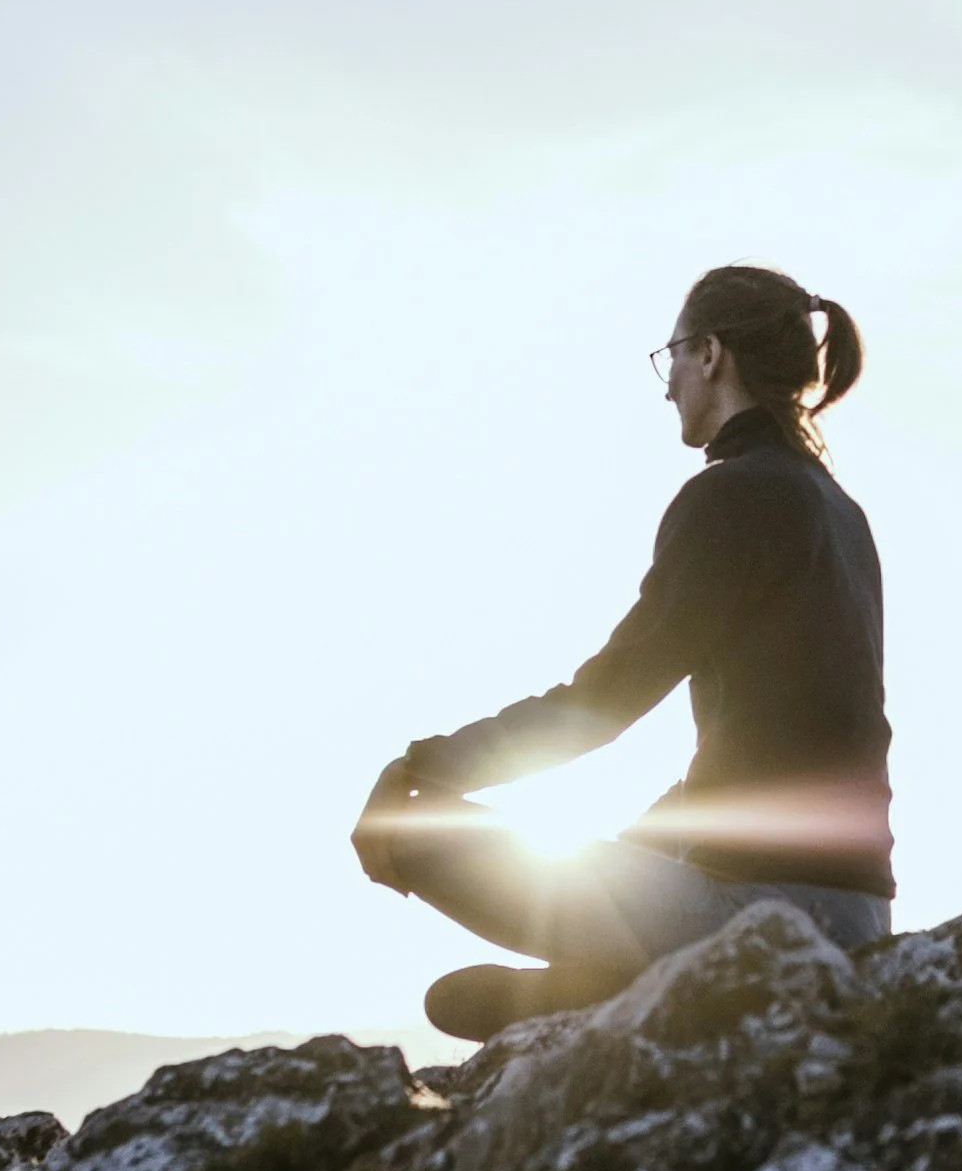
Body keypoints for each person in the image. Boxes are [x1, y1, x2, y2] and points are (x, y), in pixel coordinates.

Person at [351, 263, 894, 1041]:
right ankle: (618, 987)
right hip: (858, 915)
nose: (667, 382)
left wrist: (420, 769)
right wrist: (645, 842)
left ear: (710, 354)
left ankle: (622, 991)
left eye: (672, 355)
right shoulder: (839, 511)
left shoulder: (732, 495)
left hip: (768, 919)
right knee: (634, 848)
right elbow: (792, 740)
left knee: (409, 829)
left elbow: (603, 702)